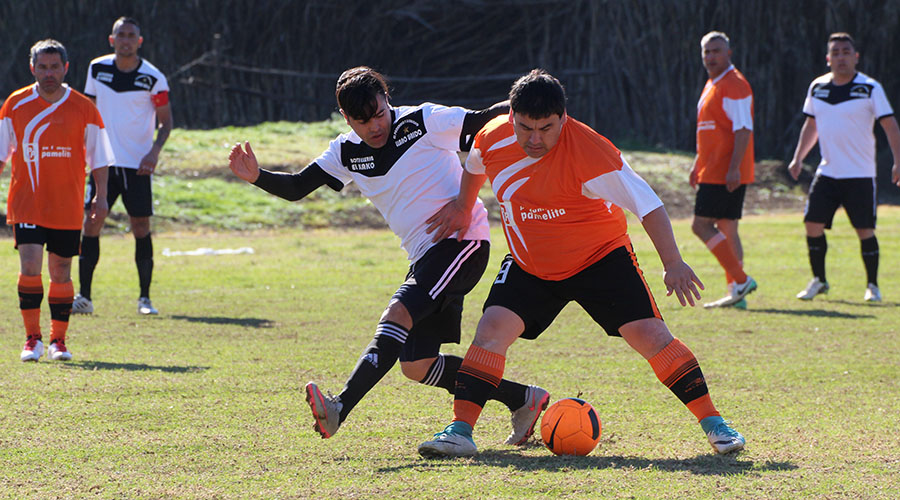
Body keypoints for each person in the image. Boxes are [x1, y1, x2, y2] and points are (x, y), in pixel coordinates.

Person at [418, 69, 745, 458]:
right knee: (491, 330)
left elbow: (648, 204)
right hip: (531, 264)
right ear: (511, 117)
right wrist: (462, 205)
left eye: (546, 128)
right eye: (525, 128)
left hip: (600, 259)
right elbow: (475, 165)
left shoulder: (592, 152)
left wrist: (672, 262)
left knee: (651, 336)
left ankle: (715, 424)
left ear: (563, 118)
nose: (534, 139)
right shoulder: (492, 137)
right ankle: (459, 432)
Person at [228, 66, 549, 445]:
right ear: (346, 118)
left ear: (387, 100)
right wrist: (257, 176)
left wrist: (531, 106)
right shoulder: (345, 151)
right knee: (417, 365)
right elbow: (299, 186)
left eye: (379, 114)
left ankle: (339, 407)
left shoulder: (422, 121)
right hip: (425, 258)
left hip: (463, 243)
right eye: (362, 121)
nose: (375, 126)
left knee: (397, 313)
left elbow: (483, 119)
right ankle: (523, 399)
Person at [1, 39, 114, 361]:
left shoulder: (83, 108)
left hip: (67, 203)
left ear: (65, 68)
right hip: (27, 202)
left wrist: (101, 197)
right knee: (30, 266)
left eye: (54, 67)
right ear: (32, 68)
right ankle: (32, 339)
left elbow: (99, 158)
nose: (48, 73)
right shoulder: (15, 104)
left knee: (61, 270)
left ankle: (58, 341)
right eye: (42, 67)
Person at [72, 16, 173, 316]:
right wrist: (84, 151)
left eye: (131, 35)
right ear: (111, 39)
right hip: (102, 163)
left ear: (139, 42)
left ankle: (145, 299)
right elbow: (86, 113)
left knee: (140, 227)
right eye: (121, 35)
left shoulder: (154, 78)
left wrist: (154, 152)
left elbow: (166, 122)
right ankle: (84, 297)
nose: (126, 40)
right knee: (92, 223)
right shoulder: (96, 68)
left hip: (137, 165)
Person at [788, 33, 900, 302]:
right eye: (835, 53)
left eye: (846, 52)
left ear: (855, 57)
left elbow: (890, 126)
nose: (841, 57)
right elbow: (811, 125)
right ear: (828, 59)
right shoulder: (818, 87)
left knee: (865, 230)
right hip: (827, 172)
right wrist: (798, 157)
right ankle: (819, 280)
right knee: (812, 224)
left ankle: (872, 286)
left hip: (860, 174)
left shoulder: (870, 88)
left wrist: (898, 160)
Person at [690, 31, 758, 309]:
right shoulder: (713, 83)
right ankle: (736, 293)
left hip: (724, 171)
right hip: (712, 168)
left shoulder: (735, 84)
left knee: (700, 225)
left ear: (728, 53)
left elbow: (743, 130)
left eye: (716, 51)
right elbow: (710, 129)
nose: (710, 56)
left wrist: (734, 169)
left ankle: (741, 280)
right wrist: (697, 163)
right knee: (728, 228)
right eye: (706, 51)